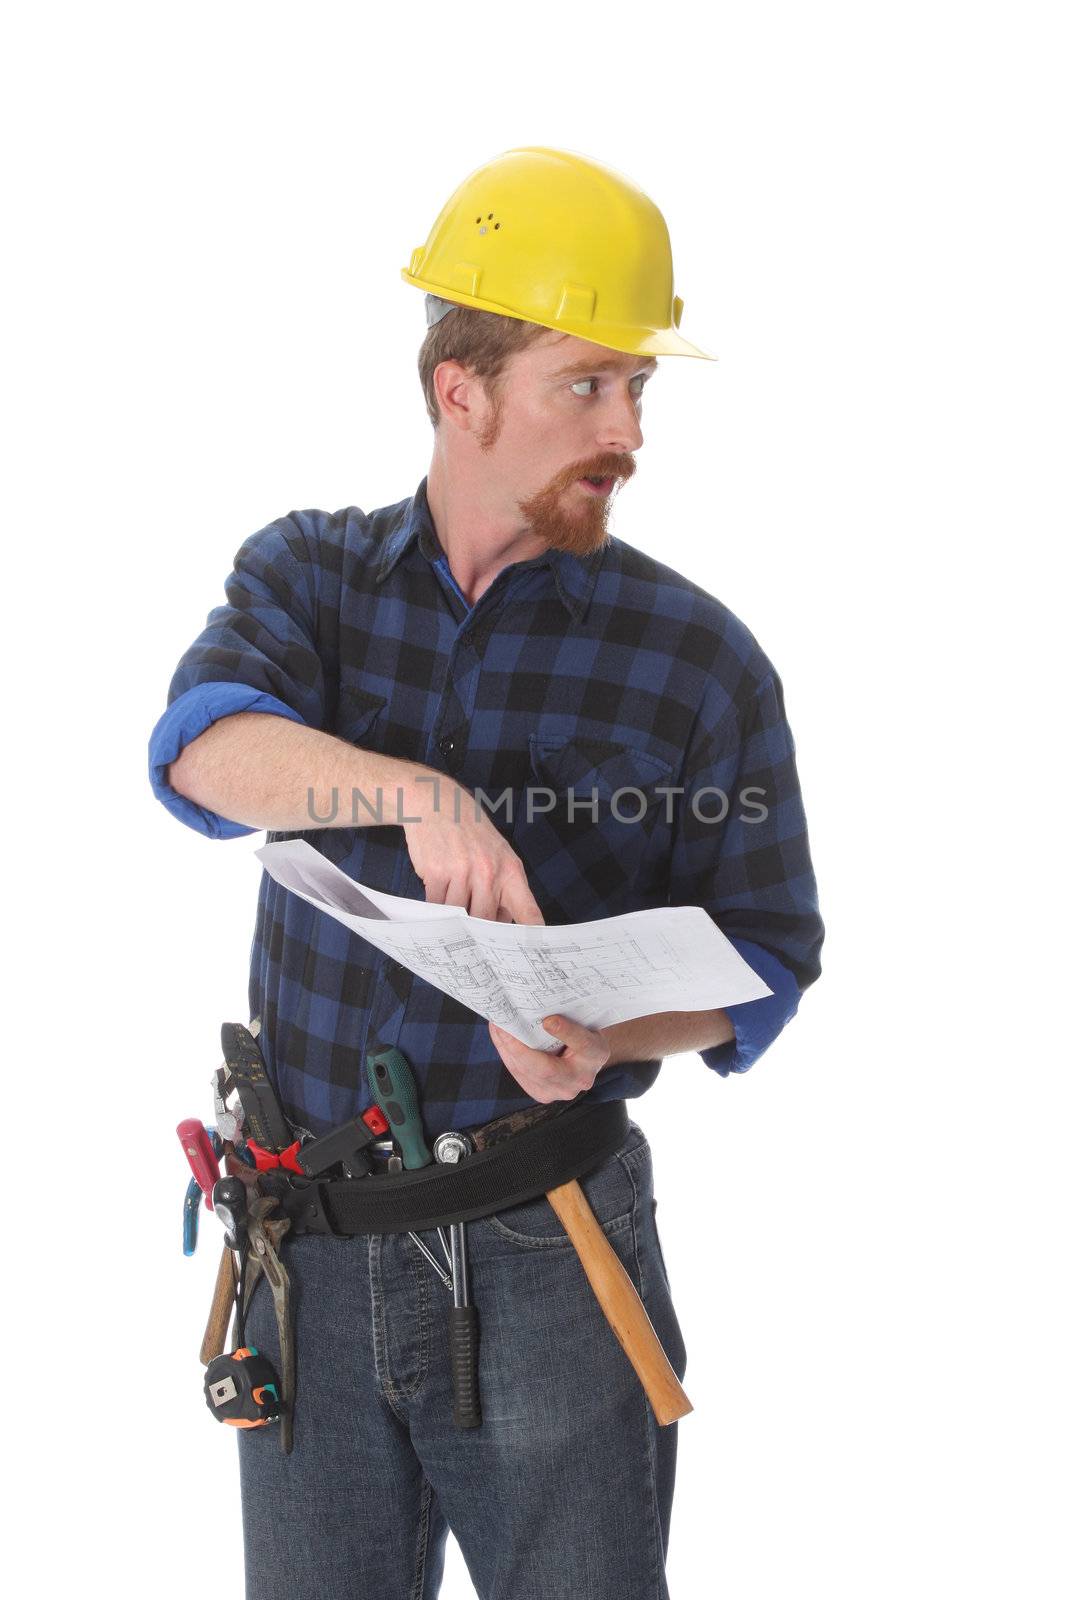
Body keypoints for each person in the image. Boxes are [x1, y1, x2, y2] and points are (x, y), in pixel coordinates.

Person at [149, 146, 824, 1600]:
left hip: (551, 1257)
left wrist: (613, 1036)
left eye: (641, 388)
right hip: (307, 1262)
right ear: (461, 389)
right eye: (588, 384)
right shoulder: (309, 581)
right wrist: (414, 795)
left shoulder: (696, 660)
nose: (629, 428)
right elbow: (198, 757)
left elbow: (768, 951)